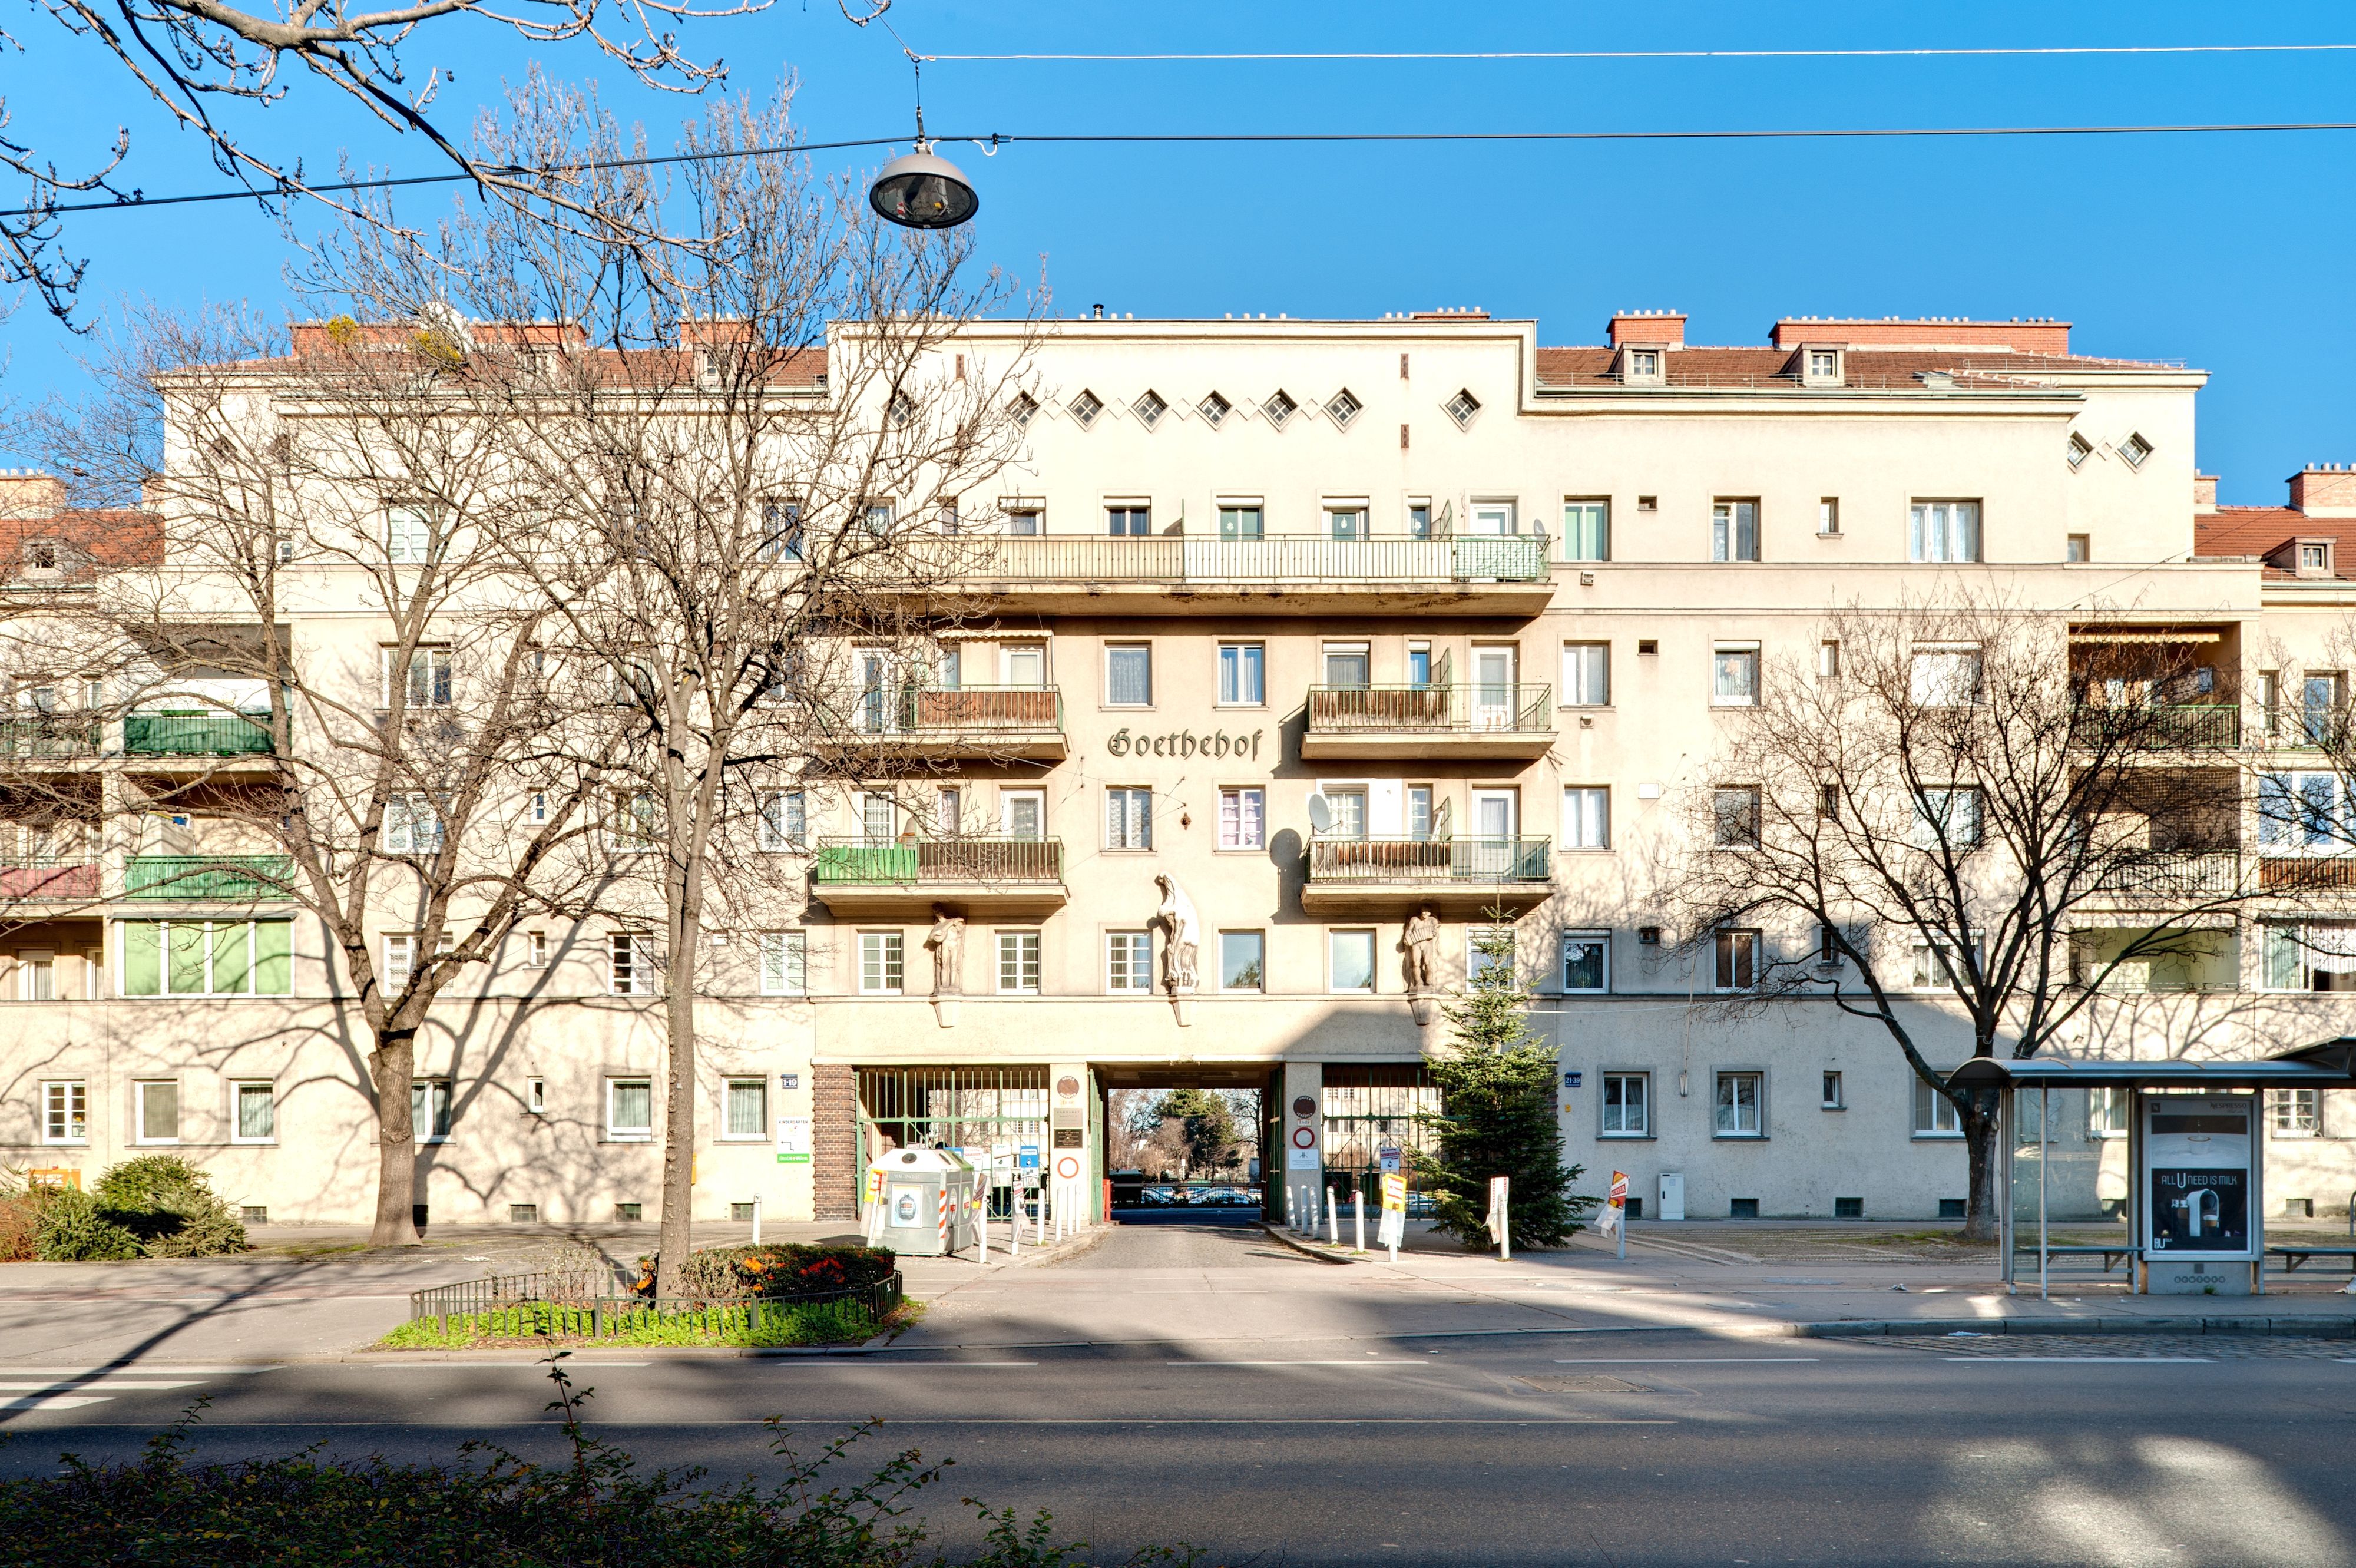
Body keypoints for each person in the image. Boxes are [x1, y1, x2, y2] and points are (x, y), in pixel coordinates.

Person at [924, 906, 965, 995]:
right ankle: (943, 985)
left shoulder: (950, 921)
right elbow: (930, 939)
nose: (939, 913)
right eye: (937, 912)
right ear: (936, 914)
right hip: (945, 945)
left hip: (954, 944)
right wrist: (935, 933)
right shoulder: (938, 926)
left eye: (940, 911)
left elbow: (961, 920)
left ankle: (953, 985)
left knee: (954, 964)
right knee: (944, 964)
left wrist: (953, 923)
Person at [1404, 905, 1440, 991]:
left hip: (1427, 943)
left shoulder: (1432, 920)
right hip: (1416, 943)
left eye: (1427, 911)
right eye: (1424, 911)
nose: (1425, 913)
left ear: (1430, 913)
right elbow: (1409, 930)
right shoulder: (1414, 919)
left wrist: (1435, 932)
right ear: (1421, 911)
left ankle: (1429, 981)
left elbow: (1436, 928)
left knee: (1428, 963)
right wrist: (1406, 937)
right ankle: (1418, 982)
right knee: (1416, 963)